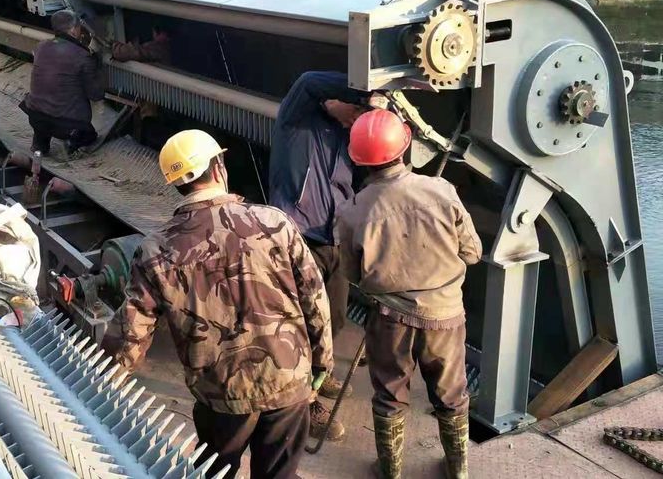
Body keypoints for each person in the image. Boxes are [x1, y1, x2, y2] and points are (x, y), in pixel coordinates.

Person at [114, 129, 333, 479]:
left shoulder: (156, 250)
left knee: (215, 472)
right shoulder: (275, 223)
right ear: (219, 167)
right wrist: (322, 364)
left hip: (220, 394)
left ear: (175, 184)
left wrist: (114, 374)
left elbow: (132, 328)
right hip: (288, 380)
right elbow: (315, 298)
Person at [335, 109, 482, 479]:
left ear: (359, 160)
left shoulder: (352, 211)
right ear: (405, 146)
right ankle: (458, 469)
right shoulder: (442, 191)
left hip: (389, 321)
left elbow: (353, 275)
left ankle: (390, 471)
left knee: (389, 395)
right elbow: (473, 253)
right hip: (445, 317)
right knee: (451, 396)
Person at [268, 71, 368, 441]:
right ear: (334, 100)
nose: (356, 117)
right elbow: (309, 81)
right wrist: (360, 90)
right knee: (294, 323)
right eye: (352, 109)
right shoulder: (297, 119)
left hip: (333, 239)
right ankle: (303, 406)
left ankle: (317, 376)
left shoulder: (349, 137)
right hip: (297, 237)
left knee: (334, 318)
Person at [20, 9, 104, 156]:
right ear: (73, 30)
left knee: (44, 117)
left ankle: (40, 143)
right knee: (90, 135)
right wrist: (99, 68)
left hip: (35, 117)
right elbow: (96, 95)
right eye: (79, 27)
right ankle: (71, 143)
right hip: (66, 125)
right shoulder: (83, 56)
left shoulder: (41, 46)